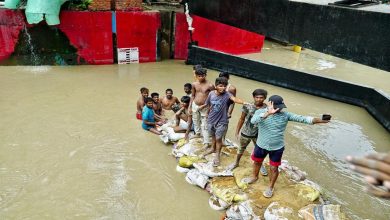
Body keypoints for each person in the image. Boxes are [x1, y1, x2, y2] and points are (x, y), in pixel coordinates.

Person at [244, 95, 329, 198]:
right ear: (270, 104)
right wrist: (267, 113)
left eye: (281, 106)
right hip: (261, 144)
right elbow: (253, 121)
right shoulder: (260, 112)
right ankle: (254, 177)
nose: (280, 108)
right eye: (278, 106)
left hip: (277, 147)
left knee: (274, 168)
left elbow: (303, 119)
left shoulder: (285, 115)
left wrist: (321, 120)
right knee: (257, 162)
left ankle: (270, 187)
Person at [199, 77, 250, 167]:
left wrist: (244, 102)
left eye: (224, 86)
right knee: (213, 136)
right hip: (211, 119)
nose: (222, 88)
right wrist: (203, 108)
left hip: (222, 121)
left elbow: (235, 99)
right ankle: (212, 148)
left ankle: (217, 154)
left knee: (219, 138)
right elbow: (208, 104)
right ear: (216, 86)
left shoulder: (227, 95)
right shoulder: (211, 94)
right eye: (220, 86)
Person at [228, 89, 268, 172]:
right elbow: (241, 119)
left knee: (260, 151)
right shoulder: (247, 106)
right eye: (257, 97)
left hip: (259, 133)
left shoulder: (267, 108)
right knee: (241, 149)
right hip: (246, 132)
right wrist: (237, 132)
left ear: (264, 98)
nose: (259, 99)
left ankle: (260, 165)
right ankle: (236, 163)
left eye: (261, 97)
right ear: (253, 97)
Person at [188, 66, 215, 148]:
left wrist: (208, 108)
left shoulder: (210, 85)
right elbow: (192, 95)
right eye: (199, 76)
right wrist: (190, 107)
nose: (201, 77)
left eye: (202, 75)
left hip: (205, 107)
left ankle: (206, 142)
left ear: (205, 75)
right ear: (196, 76)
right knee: (195, 120)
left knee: (205, 124)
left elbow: (213, 98)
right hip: (195, 104)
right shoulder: (194, 84)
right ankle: (198, 134)